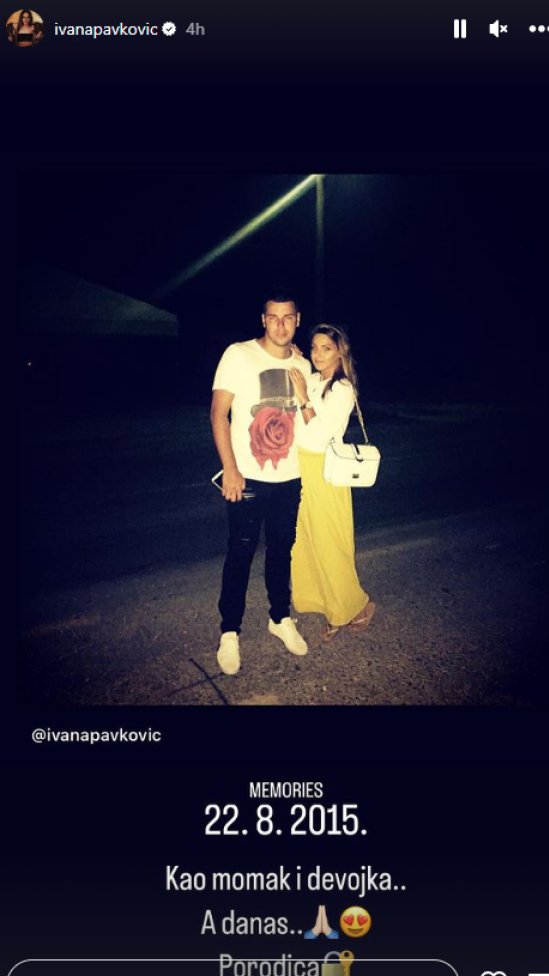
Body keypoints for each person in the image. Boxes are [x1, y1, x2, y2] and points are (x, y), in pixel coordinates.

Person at [210, 292, 312, 675]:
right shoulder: (238, 354)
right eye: (274, 317)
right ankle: (229, 631)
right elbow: (218, 414)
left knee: (282, 549)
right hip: (248, 476)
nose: (281, 325)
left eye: (288, 317)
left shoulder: (302, 363)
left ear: (297, 320)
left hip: (290, 476)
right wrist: (230, 468)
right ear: (263, 319)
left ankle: (279, 617)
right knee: (241, 551)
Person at [289, 324, 376, 640]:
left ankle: (356, 606)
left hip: (326, 469)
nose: (318, 354)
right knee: (305, 541)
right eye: (314, 347)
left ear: (341, 351)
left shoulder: (342, 388)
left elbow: (320, 433)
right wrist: (297, 358)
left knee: (330, 544)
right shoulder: (314, 379)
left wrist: (302, 397)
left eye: (326, 348)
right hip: (301, 467)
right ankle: (324, 603)